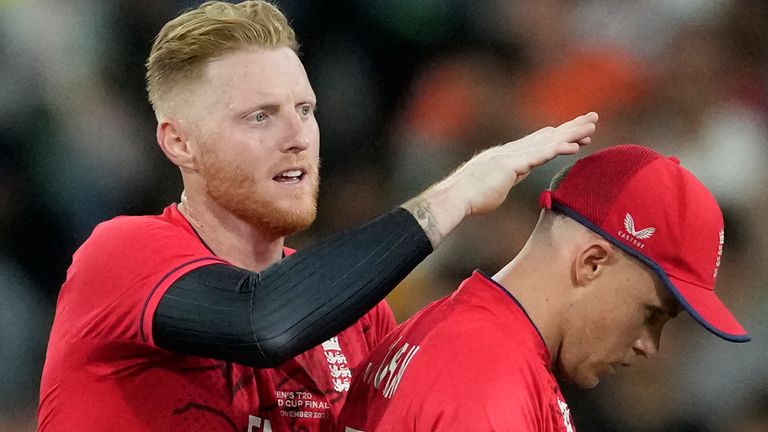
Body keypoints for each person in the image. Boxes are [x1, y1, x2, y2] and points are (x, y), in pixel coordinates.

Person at [36, 1, 599, 431]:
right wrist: (452, 196)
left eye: (305, 110)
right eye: (260, 117)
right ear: (180, 143)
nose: (297, 137)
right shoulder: (119, 256)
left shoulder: (362, 320)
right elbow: (264, 321)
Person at [336, 144, 750, 432]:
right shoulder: (488, 380)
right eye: (652, 314)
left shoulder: (460, 335)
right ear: (592, 262)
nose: (649, 345)